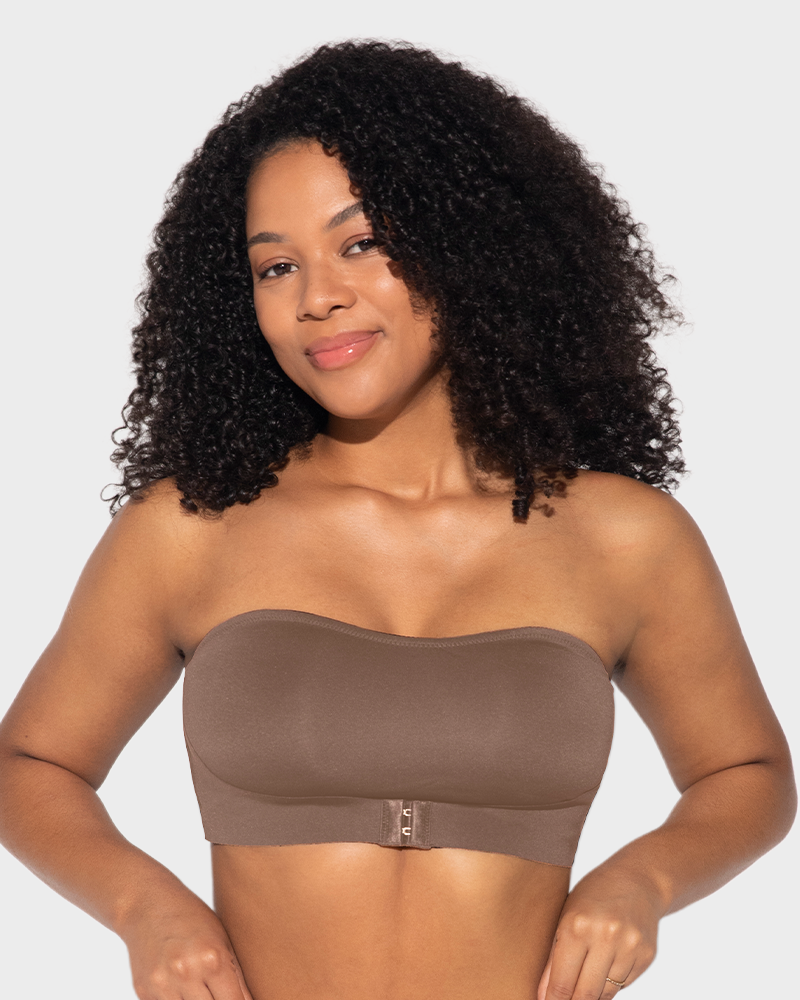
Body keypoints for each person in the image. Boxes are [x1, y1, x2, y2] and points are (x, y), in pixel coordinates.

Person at [0, 39, 794, 1000]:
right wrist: (147, 911)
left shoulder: (625, 539)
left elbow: (747, 771)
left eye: (360, 243)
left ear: (465, 242)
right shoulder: (193, 526)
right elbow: (30, 762)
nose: (317, 297)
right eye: (276, 266)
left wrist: (642, 884)